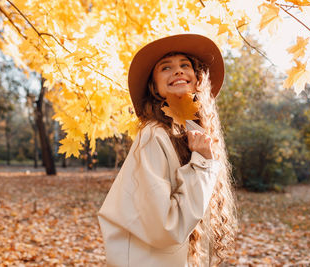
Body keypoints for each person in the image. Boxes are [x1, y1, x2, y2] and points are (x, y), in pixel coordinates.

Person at [98, 34, 236, 267]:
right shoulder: (154, 136)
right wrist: (202, 164)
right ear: (154, 86)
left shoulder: (190, 135)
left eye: (185, 65)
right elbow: (167, 227)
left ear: (197, 79)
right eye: (166, 67)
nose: (179, 71)